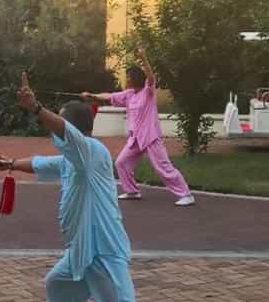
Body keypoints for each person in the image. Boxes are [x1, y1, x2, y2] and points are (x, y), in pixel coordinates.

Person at [0, 73, 188, 302]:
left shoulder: (90, 150)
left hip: (103, 251)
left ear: (73, 130)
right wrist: (9, 163)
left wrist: (35, 108)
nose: (56, 134)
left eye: (61, 126)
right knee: (57, 285)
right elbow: (40, 163)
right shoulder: (72, 159)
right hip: (83, 250)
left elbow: (64, 133)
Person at [82, 47, 195, 207]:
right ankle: (132, 191)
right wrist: (92, 96)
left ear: (135, 78)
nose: (126, 79)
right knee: (121, 163)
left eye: (128, 76)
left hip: (150, 137)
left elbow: (151, 77)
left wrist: (143, 58)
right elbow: (109, 96)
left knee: (163, 167)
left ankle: (186, 195)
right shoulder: (128, 94)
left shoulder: (148, 92)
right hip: (135, 139)